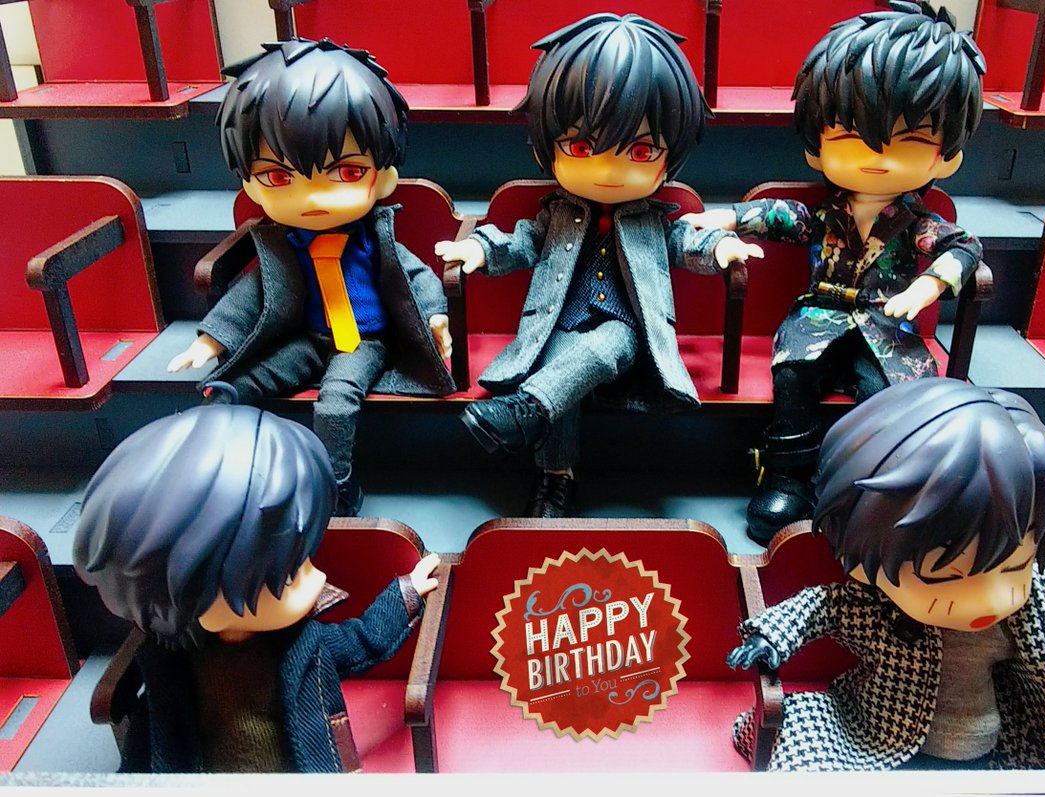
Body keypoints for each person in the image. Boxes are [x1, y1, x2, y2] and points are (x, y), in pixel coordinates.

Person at [434, 13, 760, 517]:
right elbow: (523, 241)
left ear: (668, 157)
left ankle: (523, 412)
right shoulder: (556, 214)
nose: (608, 170)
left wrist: (719, 248)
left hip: (629, 336)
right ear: (550, 147)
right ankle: (555, 477)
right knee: (559, 370)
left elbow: (684, 242)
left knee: (610, 341)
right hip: (561, 326)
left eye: (640, 150)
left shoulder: (653, 219)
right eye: (582, 147)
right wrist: (481, 249)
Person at [683, 1, 985, 543]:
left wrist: (929, 284)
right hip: (818, 315)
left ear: (947, 157)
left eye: (911, 141)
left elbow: (962, 246)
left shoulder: (915, 221)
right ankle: (787, 476)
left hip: (886, 324)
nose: (877, 158)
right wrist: (728, 217)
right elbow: (783, 216)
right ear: (816, 148)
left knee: (885, 392)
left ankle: (873, 487)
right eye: (850, 138)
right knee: (793, 376)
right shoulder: (826, 214)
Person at [727, 378, 1045, 770]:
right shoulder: (877, 613)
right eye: (944, 577)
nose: (990, 598)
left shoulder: (1023, 611)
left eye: (1015, 568)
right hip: (875, 732)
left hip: (997, 738)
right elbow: (821, 606)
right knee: (799, 747)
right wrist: (771, 636)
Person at [168, 39, 455, 517]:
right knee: (244, 382)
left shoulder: (372, 238)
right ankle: (223, 460)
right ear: (251, 185)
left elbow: (415, 275)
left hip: (364, 341)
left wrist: (435, 318)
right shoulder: (286, 244)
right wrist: (212, 340)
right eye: (280, 177)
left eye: (347, 171)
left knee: (336, 401)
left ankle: (336, 484)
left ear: (383, 178)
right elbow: (253, 292)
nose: (313, 197)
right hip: (307, 336)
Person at [73, 404, 440, 773]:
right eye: (289, 575)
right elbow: (149, 743)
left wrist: (406, 594)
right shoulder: (166, 667)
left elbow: (362, 641)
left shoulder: (304, 645)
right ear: (192, 595)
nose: (317, 578)